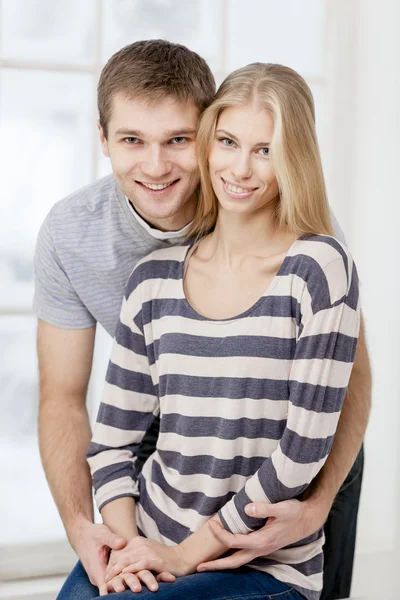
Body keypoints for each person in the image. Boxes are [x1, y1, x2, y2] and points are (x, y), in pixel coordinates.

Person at [33, 41, 371, 600]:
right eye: (132, 140)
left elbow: (347, 383)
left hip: (296, 462)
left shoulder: (309, 247)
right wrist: (111, 543)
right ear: (103, 139)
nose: (157, 165)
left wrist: (314, 507)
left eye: (178, 140)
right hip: (169, 458)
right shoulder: (91, 243)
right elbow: (68, 404)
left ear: (203, 130)